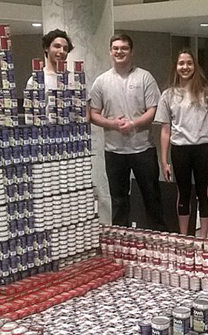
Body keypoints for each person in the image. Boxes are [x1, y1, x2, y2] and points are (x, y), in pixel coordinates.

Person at [89, 33, 166, 230]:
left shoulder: (144, 77)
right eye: (115, 48)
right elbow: (92, 114)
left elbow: (153, 110)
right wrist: (112, 124)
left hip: (143, 149)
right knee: (119, 200)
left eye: (123, 48)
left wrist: (133, 124)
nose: (119, 52)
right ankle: (120, 243)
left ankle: (157, 242)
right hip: (114, 151)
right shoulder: (101, 81)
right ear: (110, 51)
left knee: (152, 198)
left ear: (131, 52)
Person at [155, 48, 208, 238]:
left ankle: (205, 238)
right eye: (181, 63)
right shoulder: (168, 95)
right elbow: (165, 130)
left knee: (203, 192)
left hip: (203, 148)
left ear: (195, 66)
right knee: (183, 193)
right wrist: (164, 160)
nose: (185, 67)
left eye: (189, 63)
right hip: (180, 149)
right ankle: (184, 236)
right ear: (176, 67)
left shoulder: (207, 91)